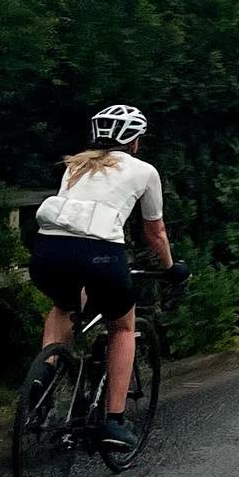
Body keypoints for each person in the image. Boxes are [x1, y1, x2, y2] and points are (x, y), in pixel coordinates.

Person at [31, 105, 187, 450]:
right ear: (134, 141)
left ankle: (43, 375)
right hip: (101, 253)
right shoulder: (145, 171)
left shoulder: (76, 165)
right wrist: (169, 266)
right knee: (123, 325)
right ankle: (113, 421)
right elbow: (155, 231)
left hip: (47, 251)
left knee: (64, 305)